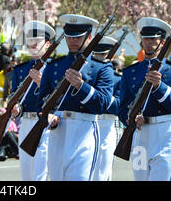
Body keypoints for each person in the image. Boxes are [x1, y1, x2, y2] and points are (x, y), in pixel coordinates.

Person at [37, 14, 114, 181]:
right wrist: (46, 114)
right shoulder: (54, 66)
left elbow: (103, 104)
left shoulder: (102, 67)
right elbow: (42, 99)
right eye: (69, 36)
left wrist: (81, 86)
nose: (72, 41)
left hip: (84, 130)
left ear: (89, 37)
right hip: (58, 131)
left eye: (78, 37)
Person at [118, 17, 171, 181]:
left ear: (163, 42)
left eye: (154, 39)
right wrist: (130, 118)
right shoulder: (131, 71)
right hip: (139, 134)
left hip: (165, 133)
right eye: (146, 38)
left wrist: (159, 86)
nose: (149, 42)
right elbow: (122, 108)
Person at [10, 20, 55, 181]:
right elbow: (16, 98)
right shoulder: (21, 70)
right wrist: (16, 109)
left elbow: (59, 99)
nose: (32, 43)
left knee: (40, 174)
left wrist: (41, 83)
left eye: (38, 40)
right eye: (30, 40)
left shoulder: (54, 69)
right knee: (27, 175)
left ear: (48, 44)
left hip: (46, 123)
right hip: (26, 124)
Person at [90, 36, 119, 181]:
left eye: (103, 54)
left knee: (102, 171)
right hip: (89, 122)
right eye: (96, 54)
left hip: (107, 123)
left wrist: (100, 97)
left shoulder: (118, 78)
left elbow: (119, 106)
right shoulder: (88, 74)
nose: (99, 57)